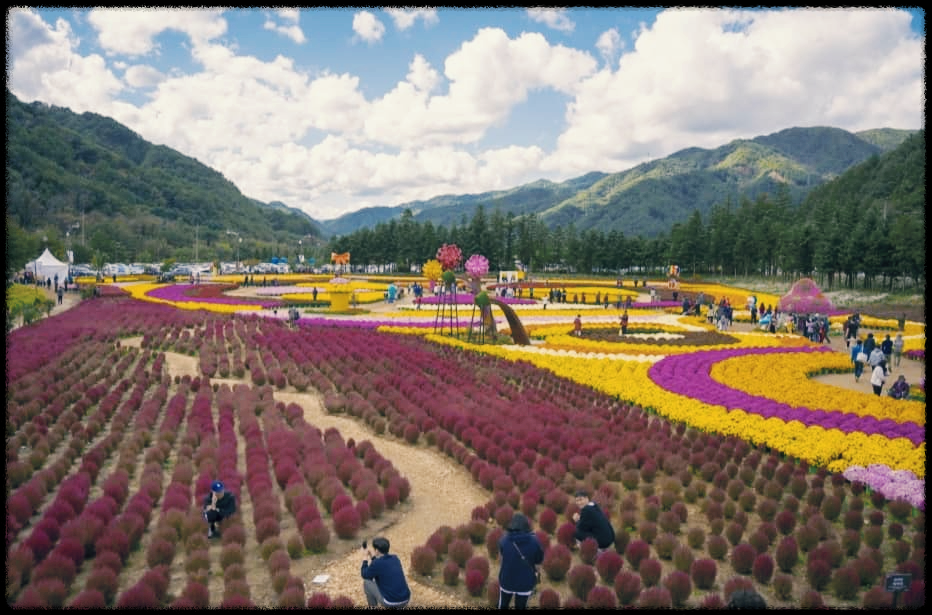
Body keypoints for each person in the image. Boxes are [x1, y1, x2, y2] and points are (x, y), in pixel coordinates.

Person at [497, 513, 543, 609]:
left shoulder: (504, 540)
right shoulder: (535, 542)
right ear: (526, 526)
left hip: (506, 581)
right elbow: (538, 564)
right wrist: (537, 574)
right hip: (525, 583)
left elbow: (500, 560)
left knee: (503, 605)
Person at [361, 536, 410, 609]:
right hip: (406, 599)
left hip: (390, 602)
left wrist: (365, 559)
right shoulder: (395, 558)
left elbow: (365, 574)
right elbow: (380, 566)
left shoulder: (377, 563)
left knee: (367, 583)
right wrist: (373, 557)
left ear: (376, 550)